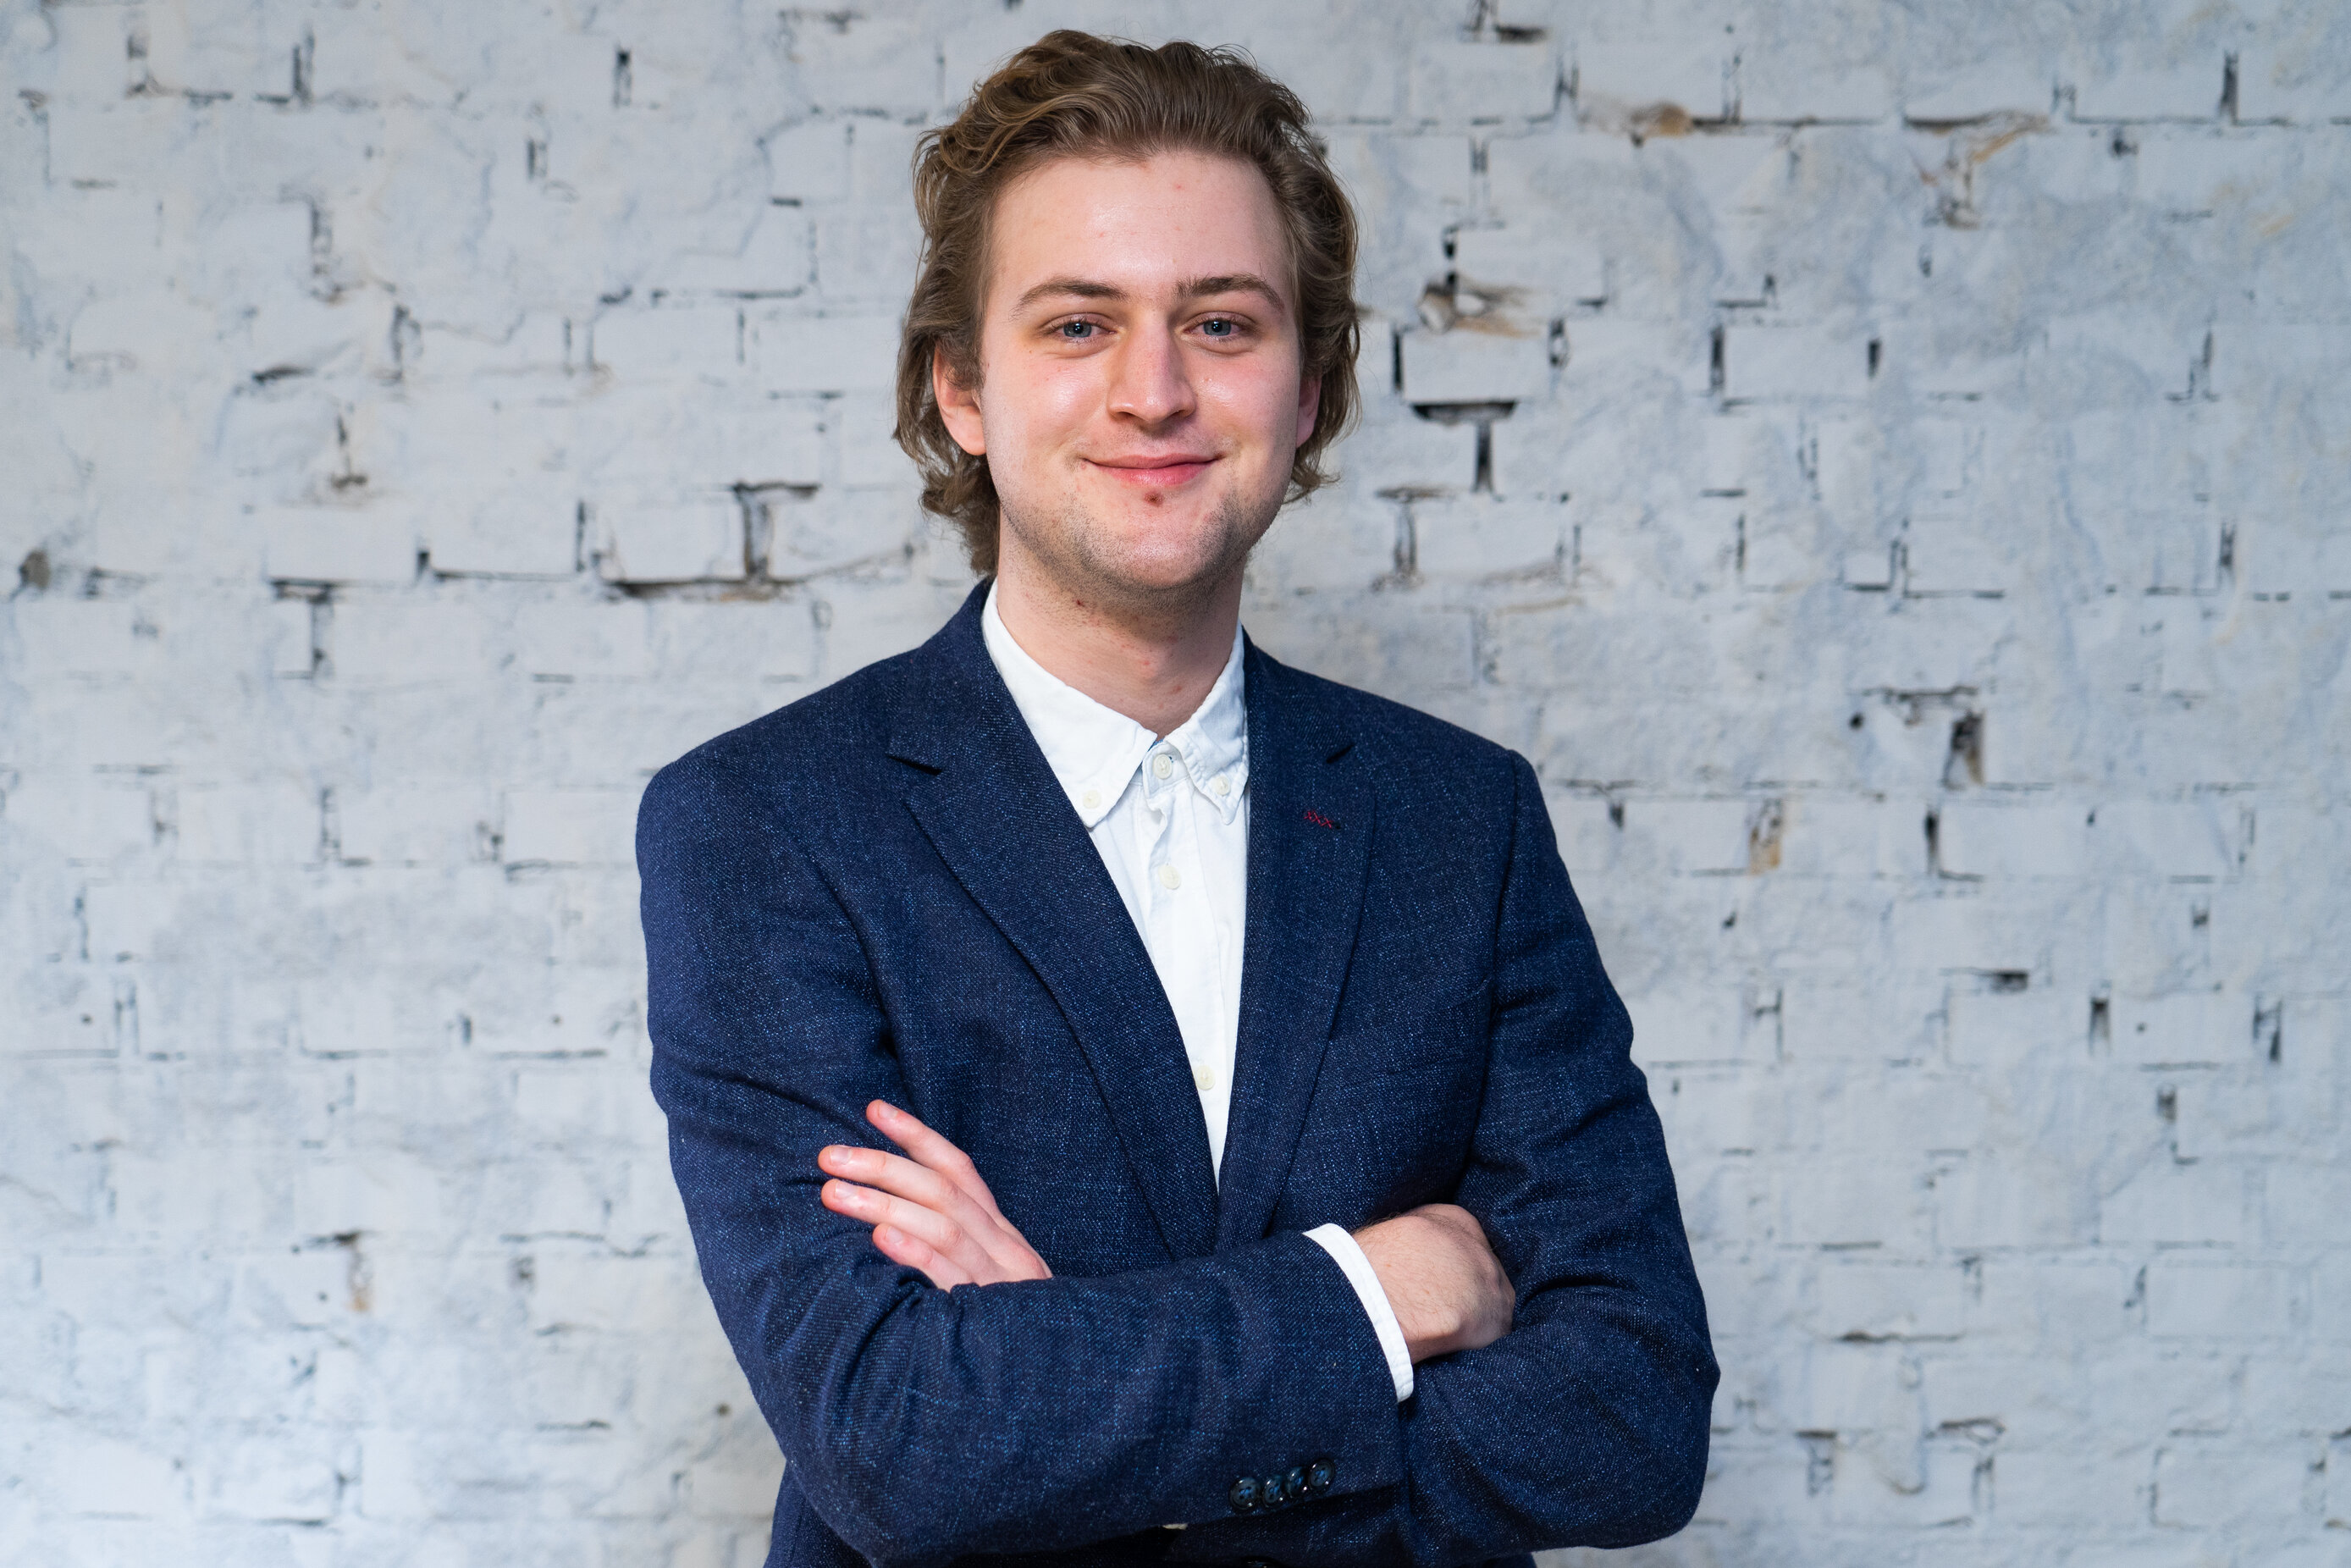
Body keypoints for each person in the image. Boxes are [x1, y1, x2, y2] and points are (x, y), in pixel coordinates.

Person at [637, 31, 1715, 1568]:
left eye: (1219, 323)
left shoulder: (1460, 825)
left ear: (1310, 389)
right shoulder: (766, 826)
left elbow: (1630, 1419)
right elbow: (896, 1443)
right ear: (961, 389)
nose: (1152, 392)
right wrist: (1379, 1293)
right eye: (1077, 324)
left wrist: (1070, 1416)